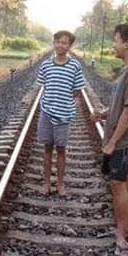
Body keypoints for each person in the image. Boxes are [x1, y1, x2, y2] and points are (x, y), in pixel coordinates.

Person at [91, 22, 128, 256]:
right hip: (124, 138)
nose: (114, 45)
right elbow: (120, 105)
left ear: (127, 43)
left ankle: (121, 234)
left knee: (117, 184)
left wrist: (113, 141)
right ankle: (124, 227)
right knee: (124, 180)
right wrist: (103, 113)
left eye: (116, 40)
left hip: (125, 140)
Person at [36, 30, 85, 196]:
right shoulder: (46, 65)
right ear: (53, 43)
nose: (60, 45)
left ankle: (61, 184)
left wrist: (63, 102)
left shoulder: (75, 66)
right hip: (46, 112)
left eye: (64, 42)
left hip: (64, 115)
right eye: (57, 41)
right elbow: (43, 86)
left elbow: (77, 91)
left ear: (70, 46)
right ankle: (47, 183)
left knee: (61, 150)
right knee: (47, 149)